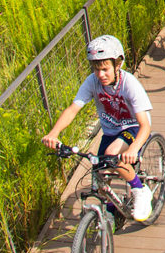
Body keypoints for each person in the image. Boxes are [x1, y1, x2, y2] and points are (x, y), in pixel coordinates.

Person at [40, 34, 158, 221]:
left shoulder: (129, 84)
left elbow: (145, 125)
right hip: (111, 131)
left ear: (117, 65)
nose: (100, 75)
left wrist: (134, 148)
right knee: (99, 176)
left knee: (112, 154)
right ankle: (113, 213)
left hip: (133, 127)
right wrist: (53, 133)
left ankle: (139, 189)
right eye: (96, 69)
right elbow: (73, 110)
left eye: (105, 69)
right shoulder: (92, 82)